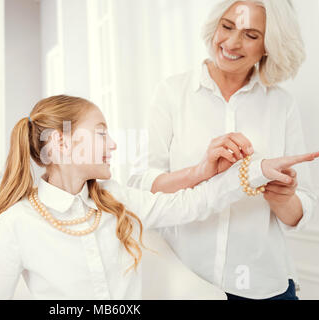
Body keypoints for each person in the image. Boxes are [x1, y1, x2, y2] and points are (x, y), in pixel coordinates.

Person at [0, 95, 318, 300]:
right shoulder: (17, 223)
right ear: (62, 143)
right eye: (100, 133)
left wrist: (257, 170)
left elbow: (190, 204)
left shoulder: (115, 198)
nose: (112, 144)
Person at [128, 0, 317, 300]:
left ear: (269, 45)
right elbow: (141, 185)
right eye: (227, 27)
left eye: (251, 35)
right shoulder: (172, 93)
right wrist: (199, 172)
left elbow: (301, 211)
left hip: (263, 285)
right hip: (186, 280)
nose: (231, 42)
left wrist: (284, 198)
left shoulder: (281, 105)